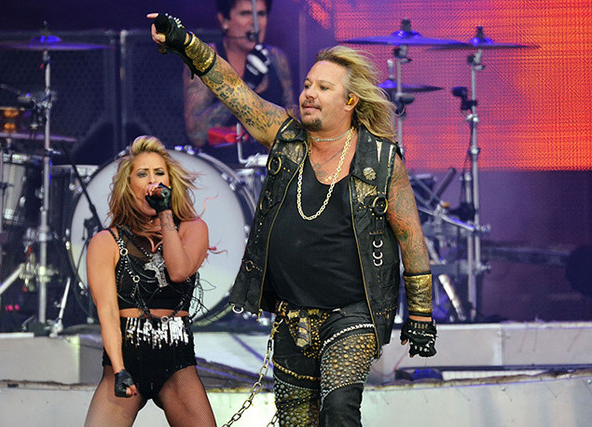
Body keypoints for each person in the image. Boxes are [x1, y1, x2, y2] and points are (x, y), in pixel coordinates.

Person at [148, 14, 437, 426]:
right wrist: (185, 42)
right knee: (297, 421)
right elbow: (234, 90)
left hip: (353, 313)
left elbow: (410, 236)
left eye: (323, 88)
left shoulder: (382, 159)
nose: (309, 94)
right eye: (306, 85)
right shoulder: (284, 136)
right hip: (292, 317)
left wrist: (421, 313)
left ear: (350, 102)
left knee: (339, 410)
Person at [84, 135, 216, 426]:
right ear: (129, 185)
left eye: (159, 173)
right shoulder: (106, 241)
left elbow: (178, 271)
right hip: (127, 358)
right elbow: (107, 312)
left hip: (177, 362)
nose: (152, 180)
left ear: (170, 182)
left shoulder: (193, 229)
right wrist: (119, 369)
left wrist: (165, 212)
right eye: (143, 174)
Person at [182, 0, 294, 165]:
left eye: (261, 14)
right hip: (223, 170)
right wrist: (245, 86)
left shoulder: (276, 58)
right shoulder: (204, 59)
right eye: (245, 13)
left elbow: (292, 121)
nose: (254, 23)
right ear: (224, 20)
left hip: (270, 167)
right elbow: (196, 134)